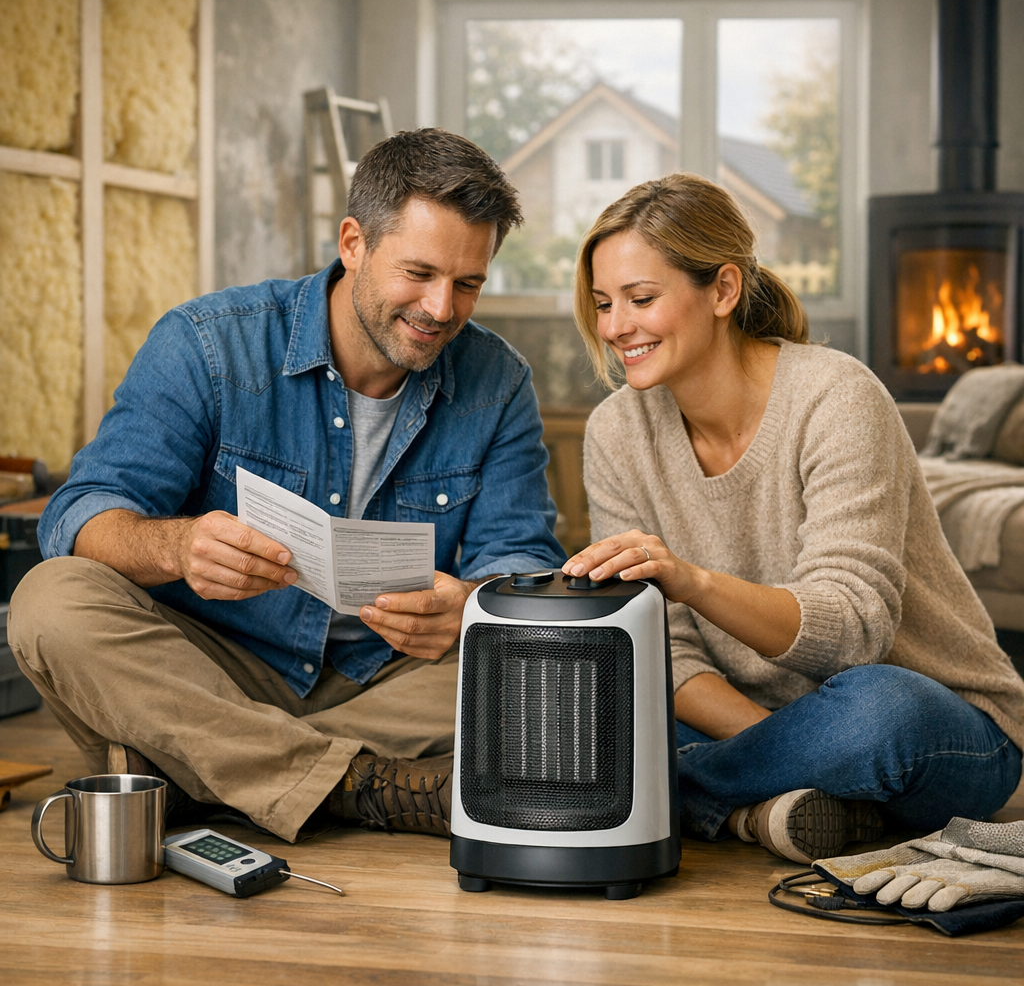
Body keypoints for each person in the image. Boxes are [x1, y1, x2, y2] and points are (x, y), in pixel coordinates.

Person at [8, 128, 565, 843]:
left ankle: (198, 772)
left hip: (389, 679)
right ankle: (359, 784)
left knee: (538, 665)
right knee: (49, 601)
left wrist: (469, 607)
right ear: (354, 243)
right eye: (418, 272)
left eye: (468, 284)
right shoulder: (208, 342)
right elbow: (79, 516)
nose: (440, 308)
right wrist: (177, 547)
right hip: (214, 667)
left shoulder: (499, 380)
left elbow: (521, 560)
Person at [563, 172, 1024, 864]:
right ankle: (787, 807)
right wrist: (791, 747)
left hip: (937, 722)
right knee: (597, 699)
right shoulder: (615, 433)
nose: (615, 327)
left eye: (641, 298)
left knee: (876, 711)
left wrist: (692, 581)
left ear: (722, 290)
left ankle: (679, 795)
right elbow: (672, 656)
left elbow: (851, 633)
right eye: (603, 304)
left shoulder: (836, 397)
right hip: (754, 724)